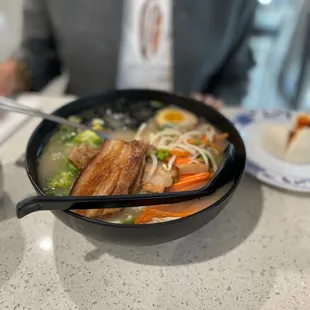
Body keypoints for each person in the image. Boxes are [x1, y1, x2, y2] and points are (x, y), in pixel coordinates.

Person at [0, 0, 257, 106]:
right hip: (85, 126)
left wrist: (217, 106)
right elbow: (40, 53)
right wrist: (13, 73)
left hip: (189, 134)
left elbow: (235, 73)